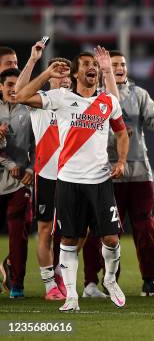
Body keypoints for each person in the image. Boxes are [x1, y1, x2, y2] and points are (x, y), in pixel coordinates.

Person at [16, 47, 129, 312]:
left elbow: (123, 133)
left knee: (111, 239)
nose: (92, 67)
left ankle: (110, 280)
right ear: (77, 72)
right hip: (67, 180)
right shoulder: (61, 98)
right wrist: (46, 72)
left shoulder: (108, 102)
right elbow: (20, 95)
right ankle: (71, 296)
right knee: (68, 240)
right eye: (86, 64)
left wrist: (121, 161)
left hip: (100, 181)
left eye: (95, 64)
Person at [102, 50, 154, 297]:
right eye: (114, 65)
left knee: (146, 228)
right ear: (105, 69)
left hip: (140, 173)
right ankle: (106, 280)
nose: (120, 68)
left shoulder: (139, 94)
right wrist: (116, 137)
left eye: (122, 64)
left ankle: (150, 282)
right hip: (107, 172)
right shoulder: (96, 97)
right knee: (108, 230)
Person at [14, 40, 72, 301]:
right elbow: (18, 93)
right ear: (49, 79)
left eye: (66, 75)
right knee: (46, 231)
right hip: (47, 175)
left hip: (75, 175)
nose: (63, 79)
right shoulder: (40, 101)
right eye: (57, 75)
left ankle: (59, 270)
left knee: (78, 230)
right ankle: (50, 284)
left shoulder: (78, 102)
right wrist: (34, 61)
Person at [0, 67, 35, 298]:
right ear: (0, 87)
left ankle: (17, 284)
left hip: (19, 182)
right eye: (9, 85)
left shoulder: (32, 110)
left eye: (17, 85)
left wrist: (32, 169)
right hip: (6, 174)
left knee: (18, 236)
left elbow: (40, 145)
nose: (14, 89)